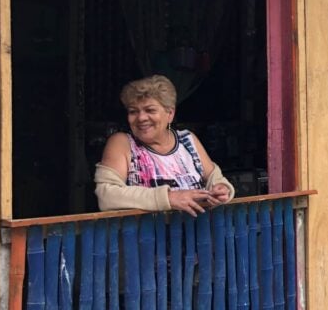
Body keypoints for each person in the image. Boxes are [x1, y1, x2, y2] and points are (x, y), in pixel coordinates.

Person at [95, 75, 235, 215]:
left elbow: (214, 177)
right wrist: (168, 198)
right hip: (145, 236)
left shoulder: (188, 140)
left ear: (170, 114)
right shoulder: (122, 143)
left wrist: (221, 189)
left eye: (150, 110)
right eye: (133, 111)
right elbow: (107, 195)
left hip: (196, 234)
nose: (141, 118)